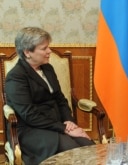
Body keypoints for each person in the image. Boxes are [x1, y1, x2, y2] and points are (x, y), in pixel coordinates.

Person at [5, 27, 95, 165]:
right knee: (72, 150)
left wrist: (69, 122)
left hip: (56, 124)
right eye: (44, 48)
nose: (49, 51)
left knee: (88, 147)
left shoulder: (47, 68)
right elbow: (30, 115)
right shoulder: (16, 77)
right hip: (31, 130)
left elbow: (60, 99)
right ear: (27, 52)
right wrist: (63, 128)